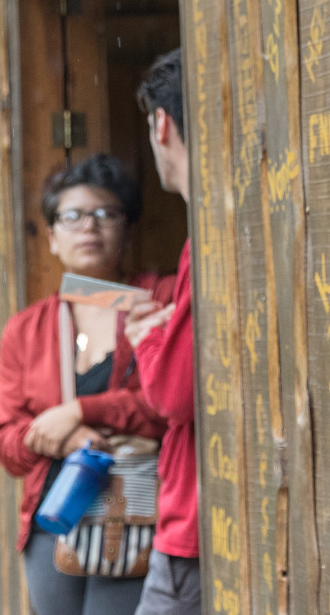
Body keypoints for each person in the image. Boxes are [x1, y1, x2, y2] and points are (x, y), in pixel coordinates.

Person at [0, 155, 166, 615]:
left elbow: (169, 404)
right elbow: (7, 444)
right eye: (71, 216)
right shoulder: (26, 329)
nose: (89, 226)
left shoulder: (158, 302)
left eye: (105, 214)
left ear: (127, 230)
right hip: (56, 514)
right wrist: (62, 438)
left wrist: (80, 412)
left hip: (140, 511)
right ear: (51, 237)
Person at [125, 51, 200, 615]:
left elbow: (173, 395)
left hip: (198, 519)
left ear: (161, 124)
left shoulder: (210, 238)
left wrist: (151, 338)